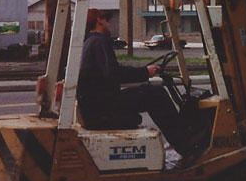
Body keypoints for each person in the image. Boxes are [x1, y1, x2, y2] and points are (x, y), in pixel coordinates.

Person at [77, 8, 195, 157]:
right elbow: (113, 73)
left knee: (147, 91)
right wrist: (145, 72)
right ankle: (187, 147)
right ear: (99, 20)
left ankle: (183, 141)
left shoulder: (90, 41)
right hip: (104, 106)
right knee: (156, 95)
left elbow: (111, 71)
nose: (108, 23)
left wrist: (143, 72)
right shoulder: (99, 41)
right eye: (106, 20)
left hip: (99, 104)